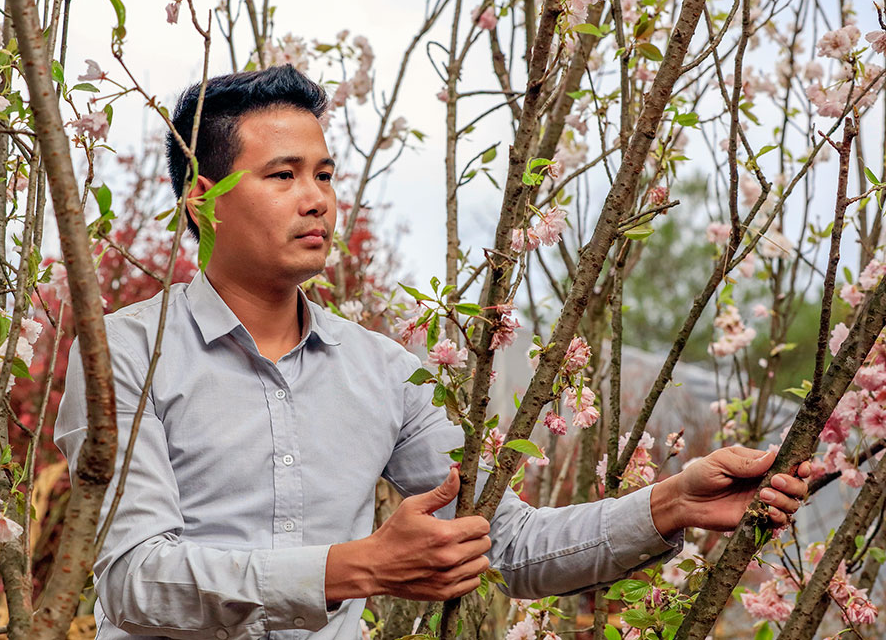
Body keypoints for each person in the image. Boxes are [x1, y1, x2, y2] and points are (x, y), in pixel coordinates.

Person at [54, 65, 811, 640]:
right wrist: (356, 566)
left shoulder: (384, 368)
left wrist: (671, 501)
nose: (316, 197)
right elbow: (133, 577)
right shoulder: (125, 353)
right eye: (282, 175)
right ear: (203, 200)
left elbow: (508, 543)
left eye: (323, 174)